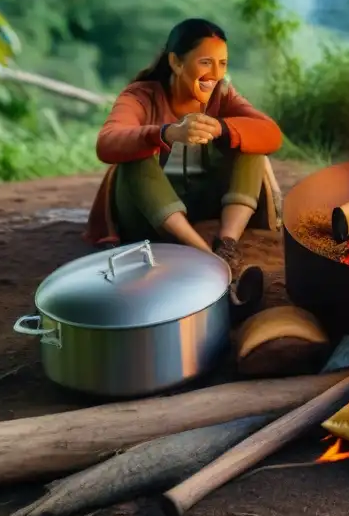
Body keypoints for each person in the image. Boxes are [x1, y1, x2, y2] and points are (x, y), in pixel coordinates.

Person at [85, 18, 283, 318]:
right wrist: (165, 133)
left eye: (222, 63)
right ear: (176, 62)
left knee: (251, 142)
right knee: (134, 160)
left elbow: (271, 133)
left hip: (208, 205)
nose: (215, 74)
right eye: (206, 62)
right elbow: (107, 143)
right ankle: (210, 260)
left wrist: (221, 128)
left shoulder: (222, 95)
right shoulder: (140, 96)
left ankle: (226, 244)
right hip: (149, 214)